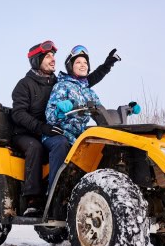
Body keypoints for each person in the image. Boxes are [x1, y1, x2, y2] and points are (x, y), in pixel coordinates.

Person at [11, 41, 120, 216]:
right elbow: (18, 114)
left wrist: (107, 65)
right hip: (26, 132)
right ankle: (33, 199)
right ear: (36, 60)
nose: (53, 59)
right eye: (48, 56)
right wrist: (42, 127)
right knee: (36, 147)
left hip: (52, 127)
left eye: (53, 55)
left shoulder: (57, 81)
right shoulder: (25, 84)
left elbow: (86, 81)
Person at [44, 45, 121, 188]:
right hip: (60, 133)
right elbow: (50, 116)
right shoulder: (62, 86)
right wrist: (59, 111)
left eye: (85, 63)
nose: (82, 65)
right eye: (78, 62)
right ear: (70, 66)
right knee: (61, 145)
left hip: (79, 134)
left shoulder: (88, 92)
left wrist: (125, 110)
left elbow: (100, 110)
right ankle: (54, 190)